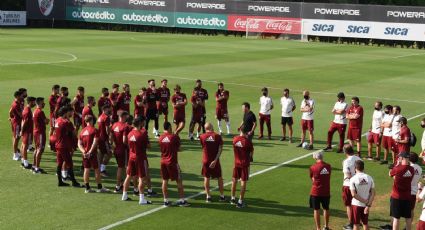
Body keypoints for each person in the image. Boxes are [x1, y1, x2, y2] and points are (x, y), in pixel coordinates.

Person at [121, 117, 153, 205]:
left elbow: (128, 143)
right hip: (140, 158)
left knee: (128, 176)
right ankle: (142, 198)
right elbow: (149, 146)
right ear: (140, 124)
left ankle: (124, 195)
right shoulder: (142, 134)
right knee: (141, 178)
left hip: (131, 157)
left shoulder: (130, 134)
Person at [159, 122, 190, 207]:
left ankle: (165, 200)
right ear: (169, 127)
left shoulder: (160, 137)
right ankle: (182, 201)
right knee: (179, 180)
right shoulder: (174, 137)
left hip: (163, 162)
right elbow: (179, 149)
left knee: (165, 181)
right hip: (172, 162)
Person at [78, 115, 109, 193]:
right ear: (91, 120)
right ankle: (99, 187)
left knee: (86, 170)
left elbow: (79, 144)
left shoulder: (82, 131)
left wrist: (84, 152)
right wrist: (90, 152)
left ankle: (87, 188)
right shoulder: (95, 130)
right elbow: (95, 142)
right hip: (92, 154)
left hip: (85, 154)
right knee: (97, 170)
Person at [199, 122, 225, 203]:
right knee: (219, 177)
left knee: (206, 178)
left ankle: (208, 196)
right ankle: (222, 196)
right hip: (215, 161)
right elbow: (220, 149)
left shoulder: (202, 136)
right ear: (212, 127)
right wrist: (215, 160)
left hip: (206, 160)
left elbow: (203, 146)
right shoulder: (217, 136)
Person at [55, 106, 80, 187]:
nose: (70, 113)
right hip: (64, 145)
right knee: (70, 164)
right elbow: (74, 134)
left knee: (59, 164)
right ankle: (74, 182)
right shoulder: (66, 122)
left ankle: (60, 181)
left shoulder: (57, 120)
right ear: (65, 113)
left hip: (58, 145)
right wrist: (75, 128)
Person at [389, 151, 414, 230]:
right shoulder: (412, 169)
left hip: (396, 197)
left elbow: (390, 174)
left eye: (400, 157)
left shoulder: (397, 168)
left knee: (396, 218)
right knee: (408, 218)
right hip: (407, 197)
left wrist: (396, 165)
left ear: (402, 158)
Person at [231, 128, 254, 208]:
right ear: (246, 132)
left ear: (240, 130)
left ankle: (232, 198)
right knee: (243, 182)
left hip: (236, 163)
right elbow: (251, 153)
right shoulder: (247, 142)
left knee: (234, 180)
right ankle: (240, 202)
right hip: (244, 164)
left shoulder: (234, 139)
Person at [349, 160, 375, 230]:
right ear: (363, 167)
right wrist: (368, 204)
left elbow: (353, 194)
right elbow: (373, 193)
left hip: (356, 205)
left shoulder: (353, 179)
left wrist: (364, 201)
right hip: (366, 205)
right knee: (365, 223)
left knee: (356, 224)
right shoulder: (369, 178)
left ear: (355, 168)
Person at [309, 151, 331, 230]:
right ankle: (326, 226)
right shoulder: (328, 166)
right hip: (326, 191)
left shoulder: (312, 167)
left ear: (315, 158)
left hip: (315, 192)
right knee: (326, 208)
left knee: (316, 209)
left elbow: (313, 178)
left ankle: (318, 228)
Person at [342, 144, 362, 230]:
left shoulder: (346, 161)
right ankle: (358, 221)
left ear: (345, 151)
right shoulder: (359, 159)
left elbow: (348, 174)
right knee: (358, 204)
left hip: (348, 185)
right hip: (359, 185)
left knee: (349, 205)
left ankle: (351, 223)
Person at [111, 111, 130, 193]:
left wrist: (113, 146)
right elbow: (124, 140)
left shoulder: (114, 125)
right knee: (125, 167)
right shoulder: (125, 126)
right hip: (123, 149)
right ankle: (120, 186)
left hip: (116, 149)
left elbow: (111, 137)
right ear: (124, 117)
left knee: (120, 167)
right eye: (126, 116)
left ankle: (119, 185)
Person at [32, 97, 49, 174]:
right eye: (42, 102)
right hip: (40, 133)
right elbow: (46, 121)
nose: (44, 104)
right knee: (40, 149)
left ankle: (34, 165)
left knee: (36, 148)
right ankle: (37, 168)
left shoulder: (35, 111)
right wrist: (47, 120)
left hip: (36, 132)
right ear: (39, 103)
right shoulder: (40, 112)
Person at [20, 97, 36, 169]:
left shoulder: (26, 109)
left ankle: (23, 160)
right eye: (34, 102)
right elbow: (25, 122)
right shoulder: (27, 111)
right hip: (27, 131)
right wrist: (22, 131)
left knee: (23, 146)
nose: (35, 103)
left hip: (26, 131)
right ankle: (25, 163)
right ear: (30, 102)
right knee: (25, 146)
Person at [97, 105, 112, 177]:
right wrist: (109, 136)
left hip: (99, 138)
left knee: (101, 154)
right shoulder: (106, 117)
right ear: (105, 109)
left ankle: (98, 169)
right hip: (104, 139)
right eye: (109, 108)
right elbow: (107, 130)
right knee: (109, 153)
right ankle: (102, 170)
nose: (110, 109)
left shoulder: (100, 117)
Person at [9, 90, 24, 161]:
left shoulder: (18, 102)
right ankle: (14, 154)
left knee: (17, 137)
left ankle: (16, 152)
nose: (22, 96)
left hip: (18, 122)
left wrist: (11, 117)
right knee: (16, 138)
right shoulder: (16, 104)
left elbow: (10, 111)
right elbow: (21, 115)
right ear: (18, 96)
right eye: (21, 95)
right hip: (17, 123)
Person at [409, 153, 422, 221]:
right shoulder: (420, 168)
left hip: (407, 191)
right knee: (411, 210)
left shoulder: (409, 168)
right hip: (414, 191)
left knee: (398, 210)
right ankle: (408, 226)